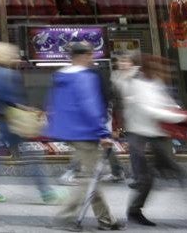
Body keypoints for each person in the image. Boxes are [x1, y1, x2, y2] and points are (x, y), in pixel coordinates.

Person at [124, 54, 187, 230]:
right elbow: (151, 111)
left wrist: (181, 113)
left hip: (158, 135)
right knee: (147, 179)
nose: (163, 71)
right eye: (158, 68)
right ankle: (134, 211)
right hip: (140, 136)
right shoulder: (136, 85)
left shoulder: (155, 83)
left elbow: (167, 104)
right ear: (146, 68)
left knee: (177, 174)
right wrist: (182, 116)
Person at [44, 42, 123, 231]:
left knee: (92, 175)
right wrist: (103, 133)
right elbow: (90, 107)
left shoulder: (61, 76)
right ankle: (65, 217)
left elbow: (52, 106)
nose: (91, 58)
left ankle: (106, 220)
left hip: (69, 132)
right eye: (90, 55)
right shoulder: (84, 77)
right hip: (85, 132)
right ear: (84, 55)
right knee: (89, 177)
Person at [0, 39, 59, 204]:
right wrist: (26, 109)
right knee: (31, 155)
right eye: (13, 54)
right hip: (13, 120)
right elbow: (10, 99)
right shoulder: (8, 73)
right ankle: (46, 192)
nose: (17, 58)